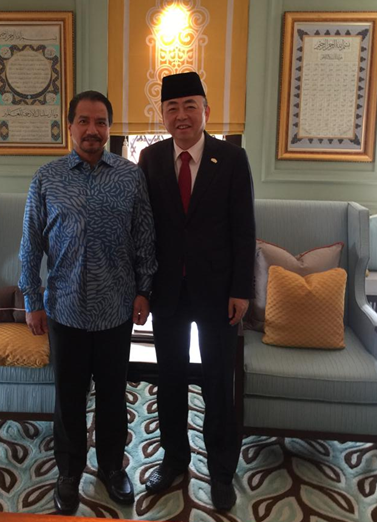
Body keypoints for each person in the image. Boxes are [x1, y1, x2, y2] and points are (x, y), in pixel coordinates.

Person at [19, 90, 157, 515]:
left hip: (116, 308)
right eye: (84, 121)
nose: (92, 130)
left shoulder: (130, 177)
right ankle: (68, 472)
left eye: (100, 122)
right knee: (69, 399)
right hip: (65, 309)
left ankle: (112, 468)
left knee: (114, 396)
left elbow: (144, 238)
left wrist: (145, 290)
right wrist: (32, 299)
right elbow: (30, 245)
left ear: (110, 128)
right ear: (70, 126)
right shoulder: (47, 178)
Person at [138, 72, 256, 511]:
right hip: (167, 290)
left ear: (206, 111)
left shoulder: (232, 158)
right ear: (163, 116)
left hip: (218, 292)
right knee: (169, 379)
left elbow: (244, 229)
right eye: (172, 108)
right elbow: (143, 230)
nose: (181, 115)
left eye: (190, 106)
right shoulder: (150, 158)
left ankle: (221, 470)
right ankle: (174, 459)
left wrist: (241, 289)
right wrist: (142, 288)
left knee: (217, 382)